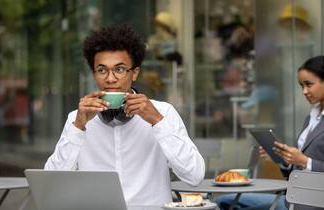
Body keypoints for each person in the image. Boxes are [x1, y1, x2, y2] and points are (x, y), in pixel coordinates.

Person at [44, 24, 205, 206]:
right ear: (94, 74)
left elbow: (195, 176)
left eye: (119, 69)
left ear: (135, 73)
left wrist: (158, 122)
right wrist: (78, 128)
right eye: (102, 70)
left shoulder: (163, 112)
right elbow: (50, 184)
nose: (110, 79)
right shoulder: (77, 118)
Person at [215, 55, 324, 210]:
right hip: (291, 198)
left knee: (228, 203)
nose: (304, 91)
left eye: (309, 84)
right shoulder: (312, 118)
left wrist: (304, 161)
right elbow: (294, 172)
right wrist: (284, 159)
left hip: (310, 203)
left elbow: (305, 163)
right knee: (224, 201)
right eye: (301, 86)